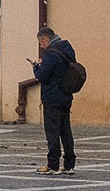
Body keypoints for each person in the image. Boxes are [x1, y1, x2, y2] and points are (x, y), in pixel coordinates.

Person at [30, 25, 77, 175]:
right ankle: (69, 164)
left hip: (52, 97)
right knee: (66, 131)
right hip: (66, 95)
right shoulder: (67, 49)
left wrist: (36, 67)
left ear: (46, 39)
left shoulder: (50, 54)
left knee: (52, 131)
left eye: (40, 42)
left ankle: (53, 164)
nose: (40, 45)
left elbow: (42, 76)